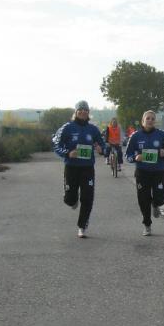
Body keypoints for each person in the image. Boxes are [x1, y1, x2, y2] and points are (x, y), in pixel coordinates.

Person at [52, 101, 105, 238]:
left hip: (87, 168)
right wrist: (68, 153)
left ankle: (82, 226)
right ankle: (72, 199)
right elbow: (56, 144)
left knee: (87, 197)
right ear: (75, 112)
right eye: (80, 110)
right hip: (71, 168)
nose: (83, 112)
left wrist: (101, 149)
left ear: (88, 113)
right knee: (70, 199)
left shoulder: (93, 129)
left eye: (85, 110)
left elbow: (103, 145)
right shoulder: (67, 127)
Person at [125, 110, 164, 236]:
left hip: (158, 171)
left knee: (160, 198)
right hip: (142, 172)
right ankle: (147, 224)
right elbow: (128, 155)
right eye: (148, 118)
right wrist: (135, 157)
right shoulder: (135, 136)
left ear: (155, 121)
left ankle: (156, 204)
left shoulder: (162, 135)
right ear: (143, 121)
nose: (150, 120)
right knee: (143, 199)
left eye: (152, 119)